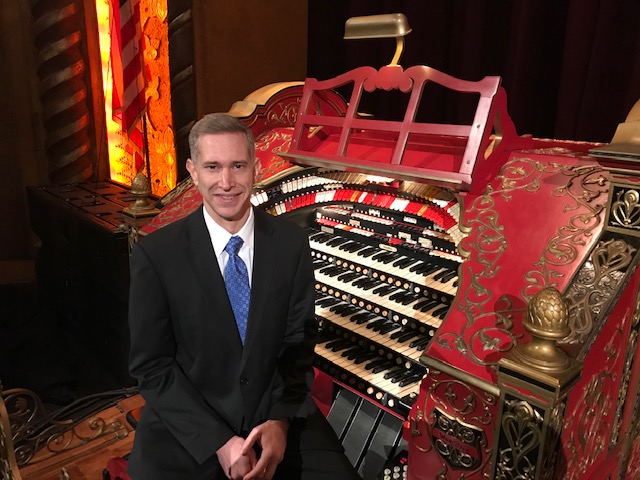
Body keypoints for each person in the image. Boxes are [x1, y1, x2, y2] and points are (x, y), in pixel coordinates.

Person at [127, 113, 361, 480]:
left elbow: (298, 344)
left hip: (274, 410)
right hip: (190, 424)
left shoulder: (290, 243)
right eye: (212, 167)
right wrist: (220, 442)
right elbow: (152, 368)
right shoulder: (156, 255)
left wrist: (280, 422)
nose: (226, 182)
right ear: (193, 171)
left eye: (237, 165)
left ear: (256, 166)